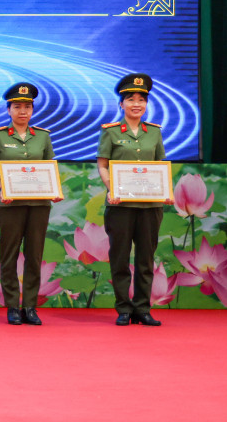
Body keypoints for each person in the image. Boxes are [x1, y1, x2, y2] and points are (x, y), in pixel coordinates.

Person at [97, 72, 168, 326]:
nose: (136, 104)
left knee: (146, 259)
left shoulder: (154, 132)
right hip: (120, 205)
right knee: (120, 258)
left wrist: (166, 191)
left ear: (146, 104)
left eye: (141, 100)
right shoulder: (111, 132)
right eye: (131, 99)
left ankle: (142, 308)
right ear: (121, 104)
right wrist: (111, 189)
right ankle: (124, 309)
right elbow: (103, 166)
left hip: (150, 205)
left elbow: (160, 167)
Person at [0, 81, 55, 325]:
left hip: (38, 204)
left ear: (32, 109)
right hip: (9, 203)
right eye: (17, 106)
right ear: (8, 109)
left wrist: (54, 190)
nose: (22, 111)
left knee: (34, 255)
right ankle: (13, 306)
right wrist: (4, 186)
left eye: (27, 106)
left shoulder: (43, 136)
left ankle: (30, 307)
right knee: (9, 254)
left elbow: (49, 169)